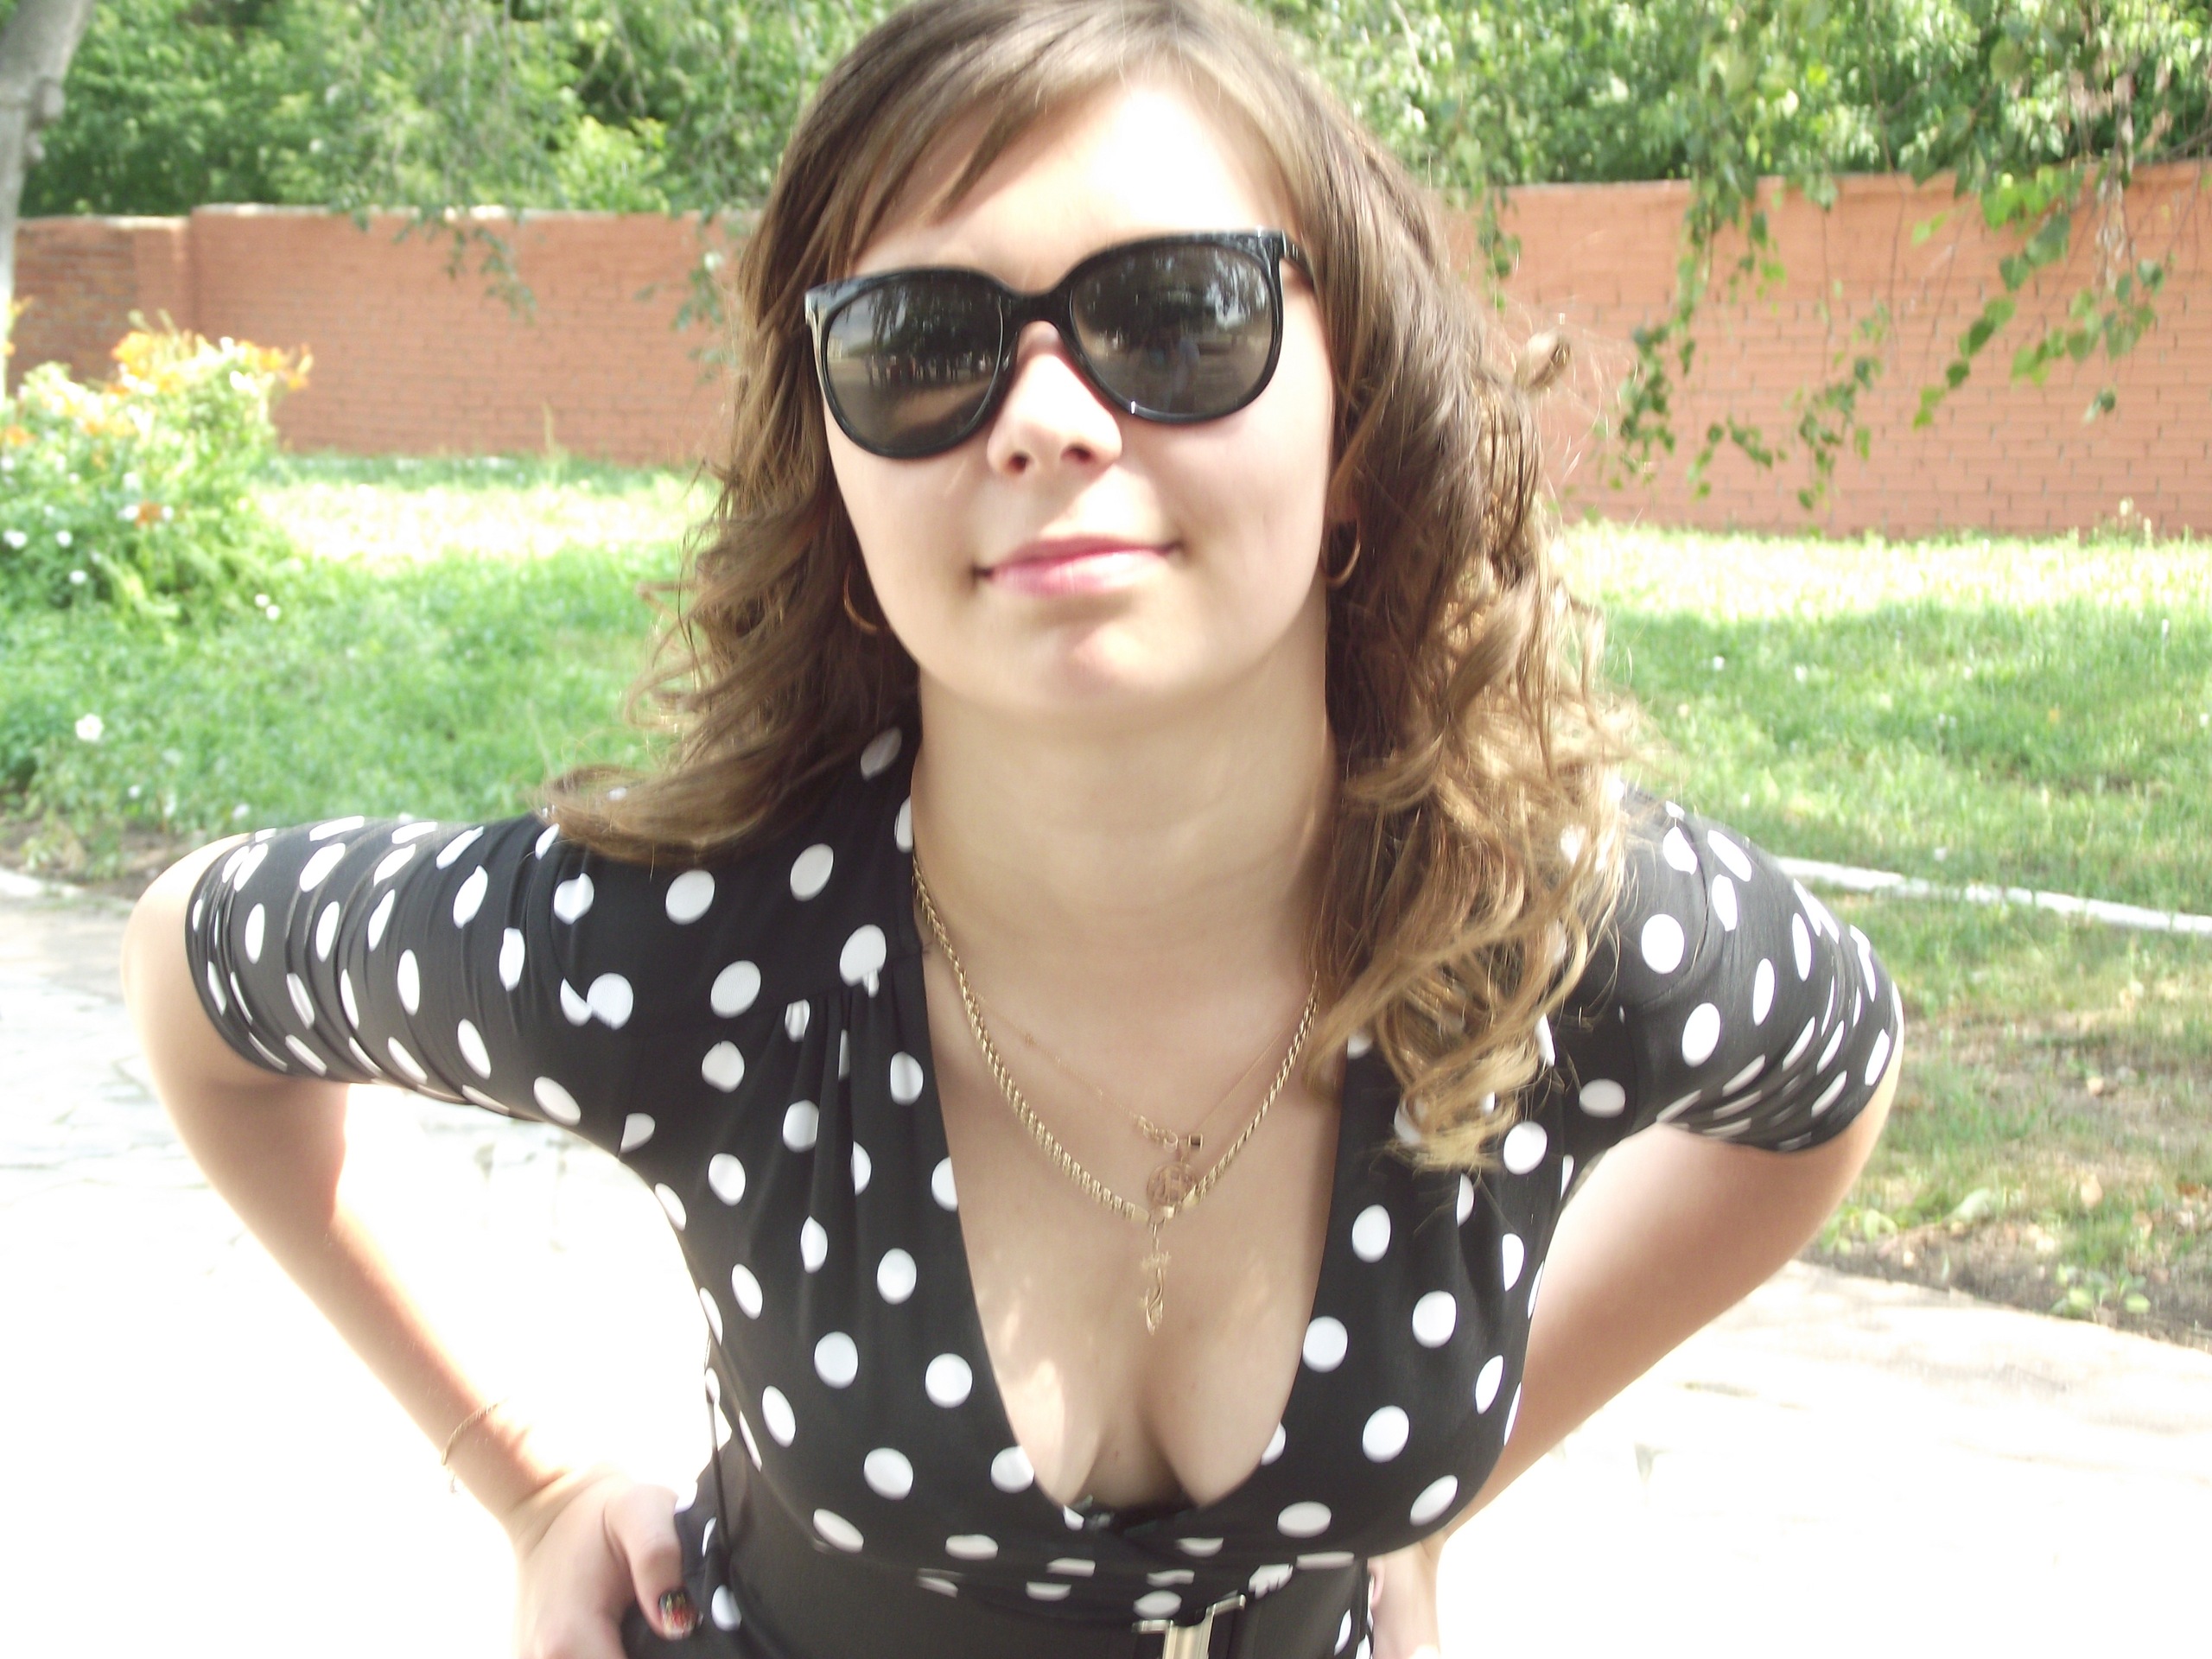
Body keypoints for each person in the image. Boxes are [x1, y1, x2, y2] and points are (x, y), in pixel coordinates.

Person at [120, 2, 1904, 1656]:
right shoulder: (686, 950)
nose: (1048, 420)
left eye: (1178, 317)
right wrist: (520, 1475)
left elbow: (1832, 1079)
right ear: (840, 470)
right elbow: (192, 974)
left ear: (1356, 416)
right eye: (919, 346)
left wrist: (1444, 1492)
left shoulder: (1539, 929)